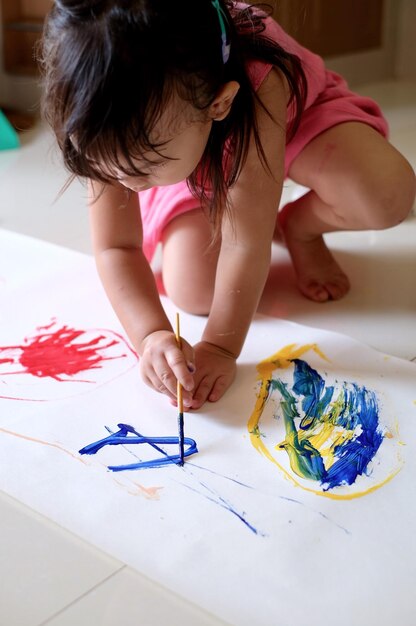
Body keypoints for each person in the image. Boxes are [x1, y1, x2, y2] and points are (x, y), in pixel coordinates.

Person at [40, 0, 416, 410]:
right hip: (192, 152)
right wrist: (150, 334)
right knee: (195, 290)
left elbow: (245, 242)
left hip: (289, 121)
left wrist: (221, 346)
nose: (126, 184)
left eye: (142, 169)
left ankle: (300, 228)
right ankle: (219, 193)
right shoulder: (101, 115)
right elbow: (116, 246)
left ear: (218, 104)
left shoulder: (254, 85)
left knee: (386, 195)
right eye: (107, 167)